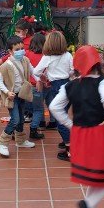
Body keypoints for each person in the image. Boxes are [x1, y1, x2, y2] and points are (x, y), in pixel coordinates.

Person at [49, 45, 104, 208]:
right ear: (97, 62)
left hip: (79, 135)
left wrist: (70, 125)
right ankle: (88, 204)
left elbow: (54, 107)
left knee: (95, 175)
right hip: (99, 133)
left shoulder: (70, 85)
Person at [33, 30, 74, 161]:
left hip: (56, 87)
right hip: (68, 86)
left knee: (59, 118)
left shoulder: (47, 57)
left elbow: (36, 71)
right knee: (65, 114)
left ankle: (70, 149)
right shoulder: (68, 55)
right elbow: (73, 70)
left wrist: (44, 78)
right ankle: (68, 139)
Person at [0, 36, 38, 157]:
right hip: (12, 97)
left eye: (21, 48)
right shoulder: (6, 65)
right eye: (17, 49)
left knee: (21, 119)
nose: (20, 51)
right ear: (10, 51)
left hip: (22, 95)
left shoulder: (25, 60)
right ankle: (2, 143)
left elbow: (33, 71)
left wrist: (40, 79)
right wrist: (7, 92)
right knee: (15, 119)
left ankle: (20, 141)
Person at [26, 32, 47, 138]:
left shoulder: (27, 53)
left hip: (26, 86)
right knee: (38, 109)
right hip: (37, 86)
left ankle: (17, 129)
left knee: (27, 108)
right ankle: (33, 129)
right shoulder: (45, 56)